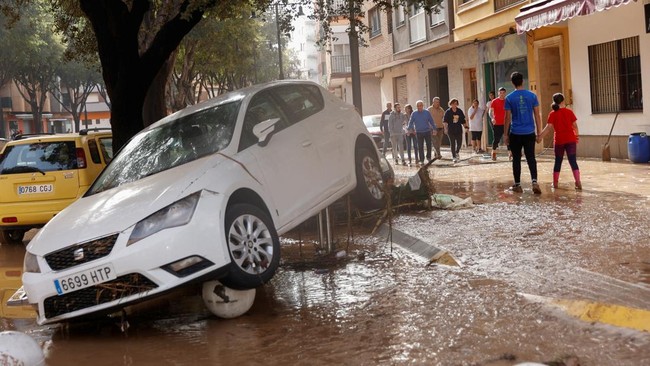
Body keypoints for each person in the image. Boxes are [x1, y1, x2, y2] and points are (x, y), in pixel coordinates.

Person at [504, 71, 542, 194]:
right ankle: (534, 182)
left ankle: (518, 185)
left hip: (515, 133)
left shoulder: (509, 98)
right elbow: (537, 115)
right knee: (531, 157)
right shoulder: (532, 96)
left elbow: (507, 118)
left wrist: (505, 135)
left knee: (516, 159)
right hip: (529, 132)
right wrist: (539, 133)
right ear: (523, 81)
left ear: (512, 83)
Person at [537, 93, 582, 190]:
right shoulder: (569, 112)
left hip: (559, 140)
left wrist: (540, 137)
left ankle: (555, 183)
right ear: (563, 101)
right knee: (573, 161)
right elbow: (575, 126)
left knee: (558, 161)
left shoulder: (552, 114)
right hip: (571, 139)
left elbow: (548, 128)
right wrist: (576, 137)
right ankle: (578, 182)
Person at [407, 100, 435, 166]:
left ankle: (428, 157)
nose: (419, 107)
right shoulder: (414, 113)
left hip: (427, 131)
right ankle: (422, 160)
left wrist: (434, 128)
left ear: (423, 106)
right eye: (418, 106)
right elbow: (410, 122)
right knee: (420, 147)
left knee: (429, 145)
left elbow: (431, 121)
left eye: (420, 106)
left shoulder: (427, 112)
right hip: (419, 132)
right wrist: (408, 129)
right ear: (416, 106)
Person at [443, 98, 467, 163]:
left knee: (459, 143)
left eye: (456, 104)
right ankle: (454, 157)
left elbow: (463, 120)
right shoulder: (448, 112)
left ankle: (457, 152)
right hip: (451, 130)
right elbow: (445, 121)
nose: (455, 105)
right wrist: (445, 129)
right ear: (451, 104)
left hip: (458, 129)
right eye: (453, 103)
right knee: (452, 143)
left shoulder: (459, 111)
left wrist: (466, 127)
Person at [489, 87, 507, 161]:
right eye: (500, 93)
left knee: (508, 138)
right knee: (497, 139)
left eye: (503, 93)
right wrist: (492, 118)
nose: (502, 94)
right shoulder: (494, 101)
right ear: (498, 93)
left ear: (505, 93)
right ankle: (493, 152)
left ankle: (510, 153)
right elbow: (490, 112)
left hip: (506, 123)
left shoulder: (507, 101)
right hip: (497, 123)